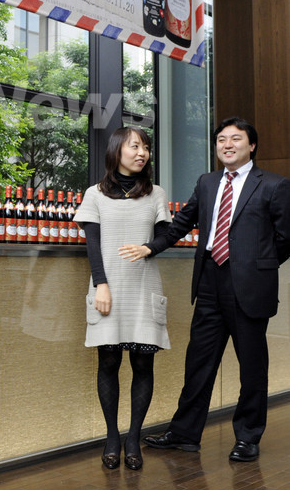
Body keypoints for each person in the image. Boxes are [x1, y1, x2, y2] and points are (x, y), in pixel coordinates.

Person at [121, 117, 290, 462]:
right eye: (221, 140)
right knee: (198, 361)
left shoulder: (274, 185)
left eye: (235, 139)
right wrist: (150, 247)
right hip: (210, 280)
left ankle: (248, 437)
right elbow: (181, 224)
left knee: (252, 366)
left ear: (251, 145)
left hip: (249, 286)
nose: (227, 145)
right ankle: (184, 434)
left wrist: (259, 265)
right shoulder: (207, 182)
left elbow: (286, 237)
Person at [74, 127, 171, 471]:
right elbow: (92, 245)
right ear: (117, 150)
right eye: (135, 146)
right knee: (109, 363)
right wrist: (100, 284)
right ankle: (112, 437)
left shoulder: (156, 193)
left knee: (143, 364)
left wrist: (148, 248)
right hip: (108, 290)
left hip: (144, 287)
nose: (142, 153)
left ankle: (133, 439)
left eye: (146, 147)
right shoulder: (95, 194)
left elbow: (166, 236)